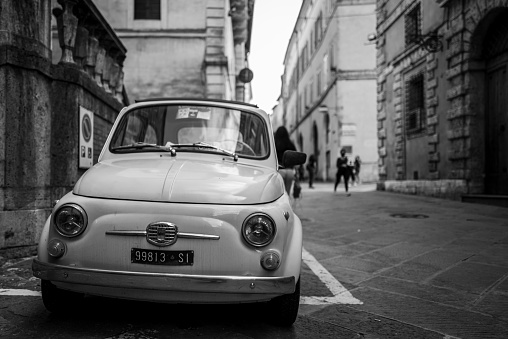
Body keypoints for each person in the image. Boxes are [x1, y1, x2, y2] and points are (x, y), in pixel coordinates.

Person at [274, 126, 296, 195]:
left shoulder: (274, 144)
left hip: (279, 170)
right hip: (290, 171)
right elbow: (295, 156)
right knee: (287, 194)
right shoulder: (290, 144)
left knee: (279, 195)